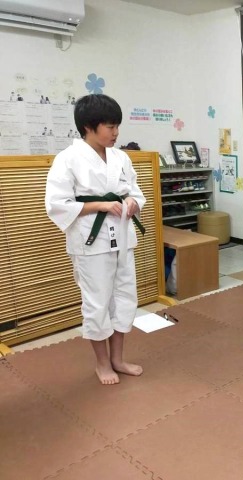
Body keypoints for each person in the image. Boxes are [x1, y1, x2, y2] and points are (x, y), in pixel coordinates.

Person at [45, 94, 146, 385]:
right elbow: (56, 203)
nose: (116, 133)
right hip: (91, 241)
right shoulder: (68, 159)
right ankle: (102, 364)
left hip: (122, 236)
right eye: (110, 126)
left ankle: (118, 359)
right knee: (97, 302)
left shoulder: (121, 157)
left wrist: (133, 203)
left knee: (124, 297)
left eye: (117, 126)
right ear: (89, 127)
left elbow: (135, 191)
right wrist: (99, 205)